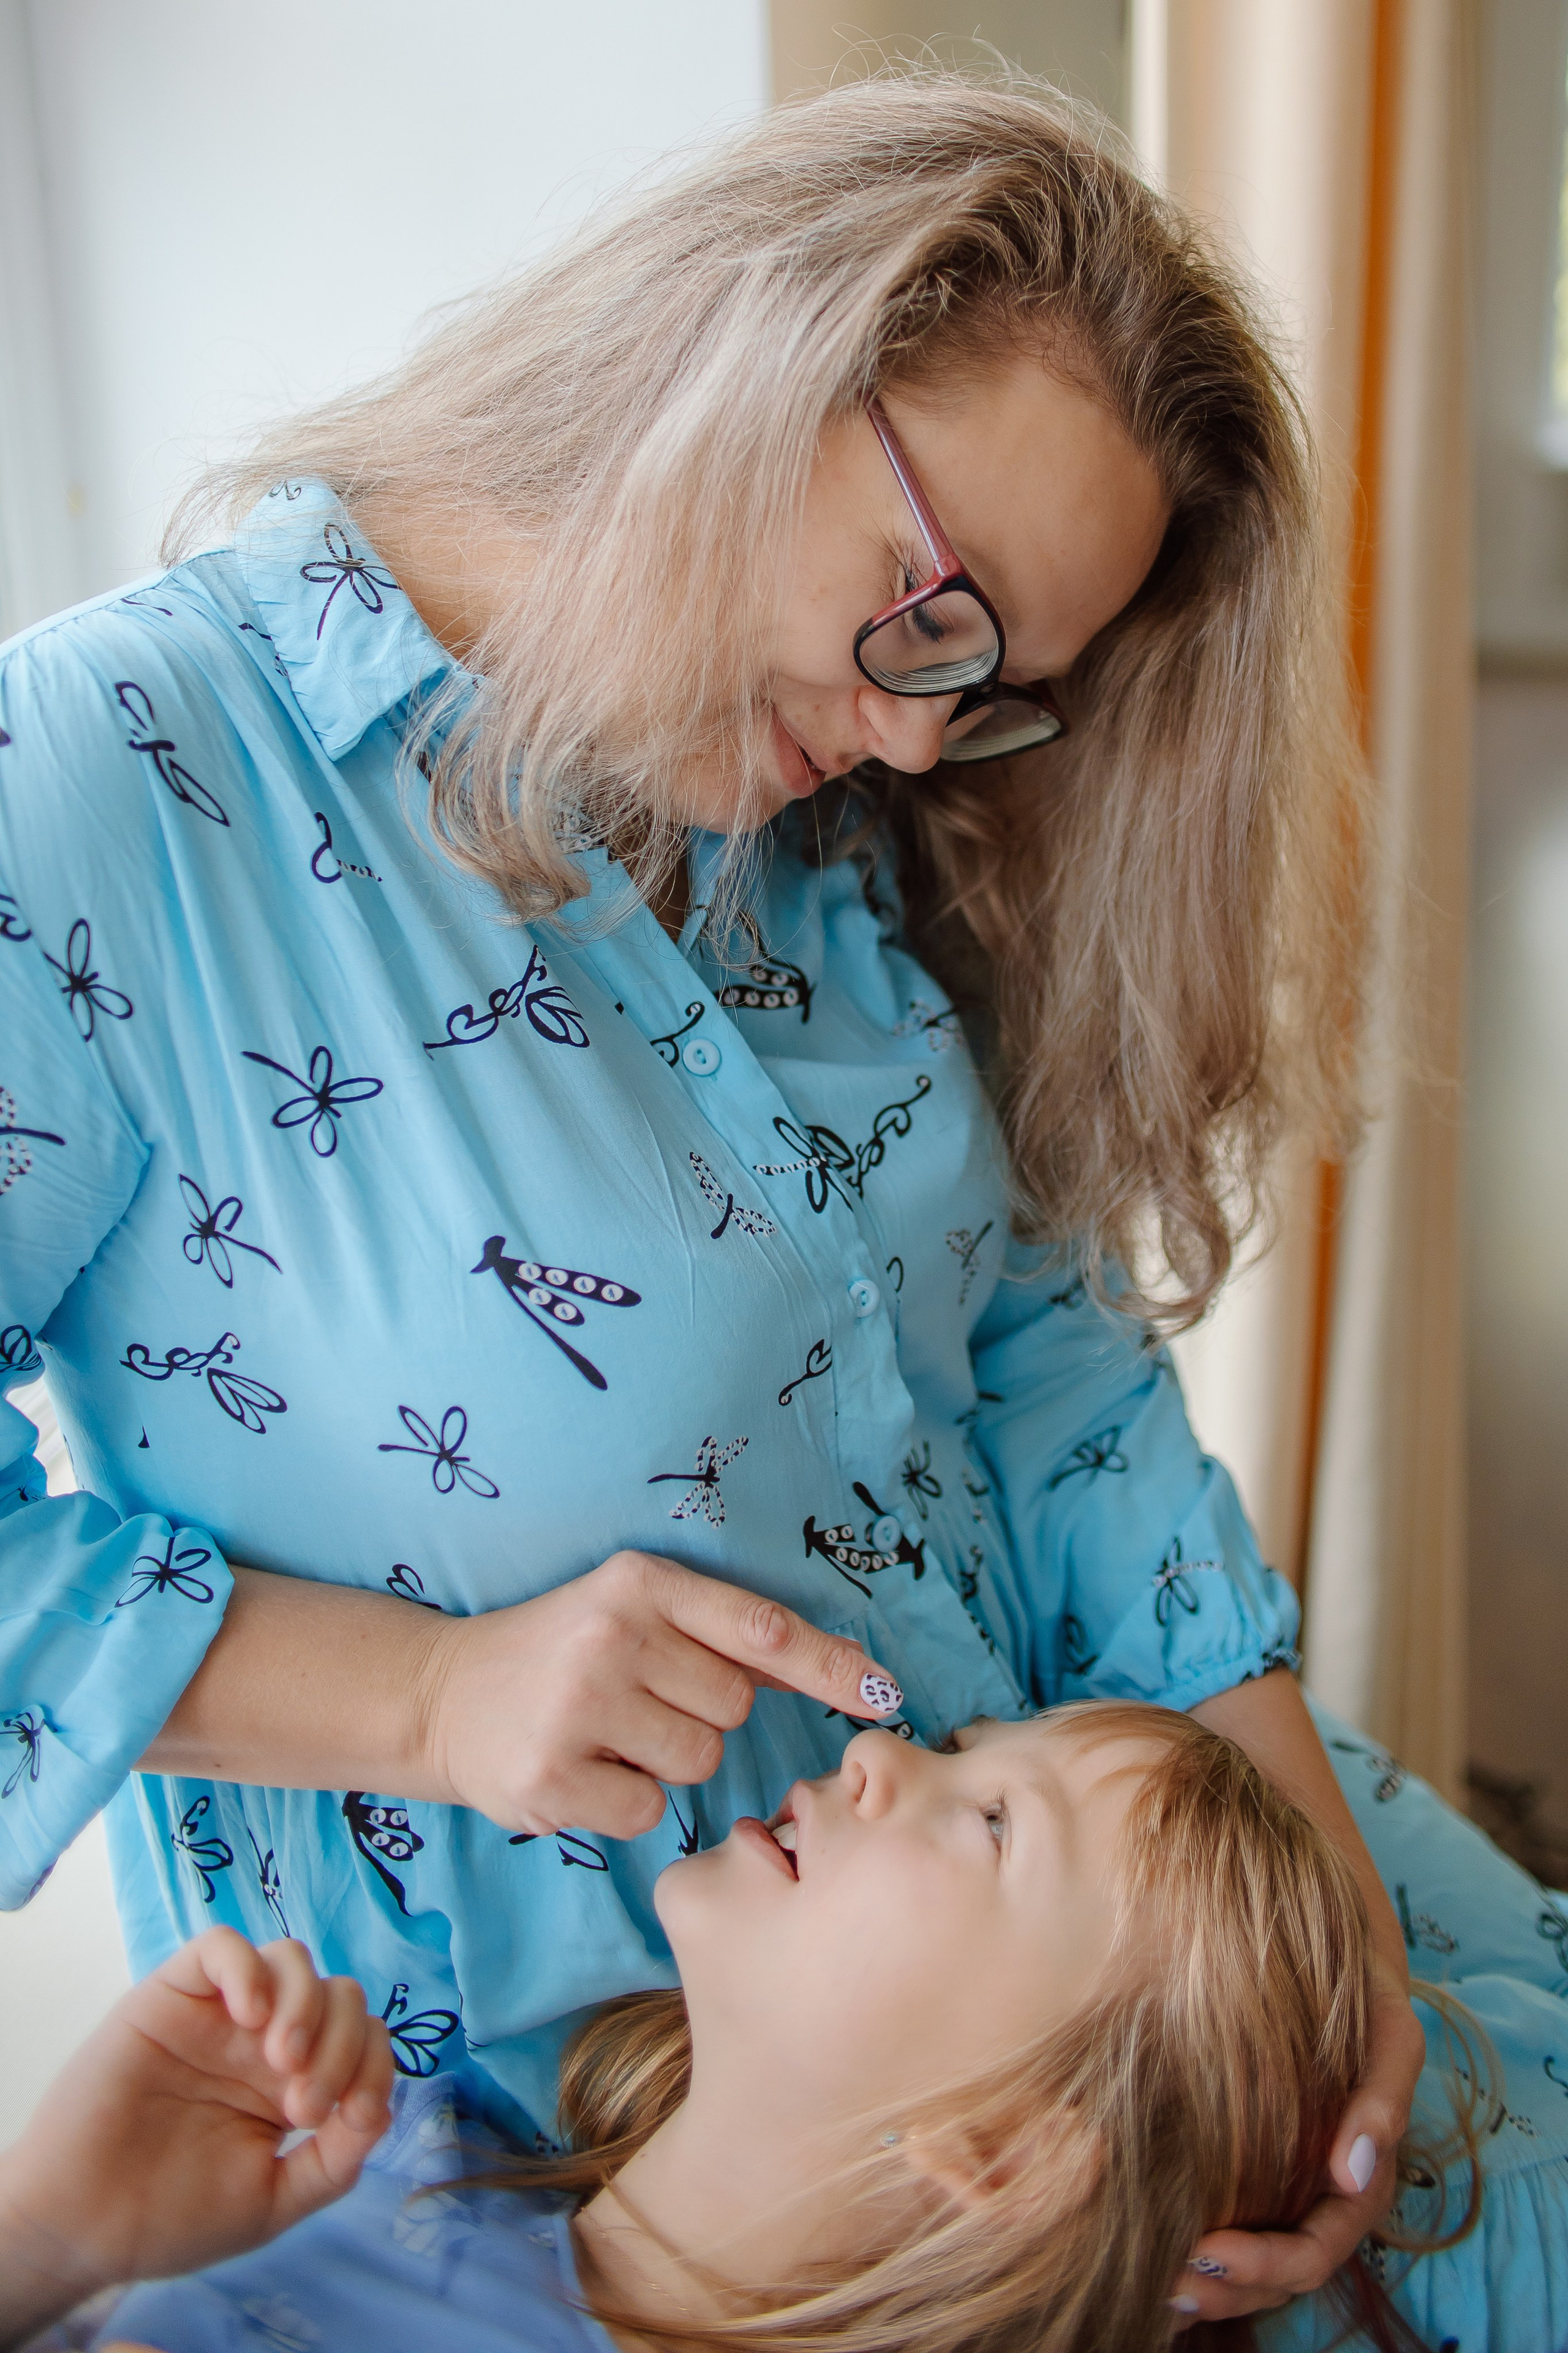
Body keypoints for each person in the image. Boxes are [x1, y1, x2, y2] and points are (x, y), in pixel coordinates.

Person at [0, 71, 1413, 2324]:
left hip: (1113, 1992)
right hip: (594, 2174)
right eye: (931, 616)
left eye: (1006, 688)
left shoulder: (816, 799)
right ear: (752, 355)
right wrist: (431, 1702)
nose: (930, 739)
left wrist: (1315, 1952)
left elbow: (1044, 1364)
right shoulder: (106, 787)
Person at [10, 1702, 1568, 2353]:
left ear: (1007, 2152)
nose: (882, 1746)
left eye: (988, 1825)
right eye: (961, 1747)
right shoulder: (386, 2145)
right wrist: (54, 2237)